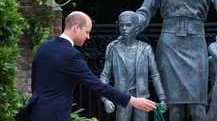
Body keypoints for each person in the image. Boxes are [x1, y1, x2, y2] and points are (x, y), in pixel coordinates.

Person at [21, 11, 156, 121]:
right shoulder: (72, 55)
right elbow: (96, 85)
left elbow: (35, 82)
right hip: (55, 116)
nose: (88, 37)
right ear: (76, 28)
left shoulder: (44, 47)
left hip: (35, 112)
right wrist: (131, 100)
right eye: (87, 32)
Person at [100, 11, 167, 120]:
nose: (124, 28)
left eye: (128, 25)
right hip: (122, 99)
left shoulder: (146, 49)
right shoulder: (113, 48)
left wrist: (162, 98)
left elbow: (155, 75)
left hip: (142, 99)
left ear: (136, 28)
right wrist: (105, 99)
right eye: (121, 25)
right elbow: (105, 76)